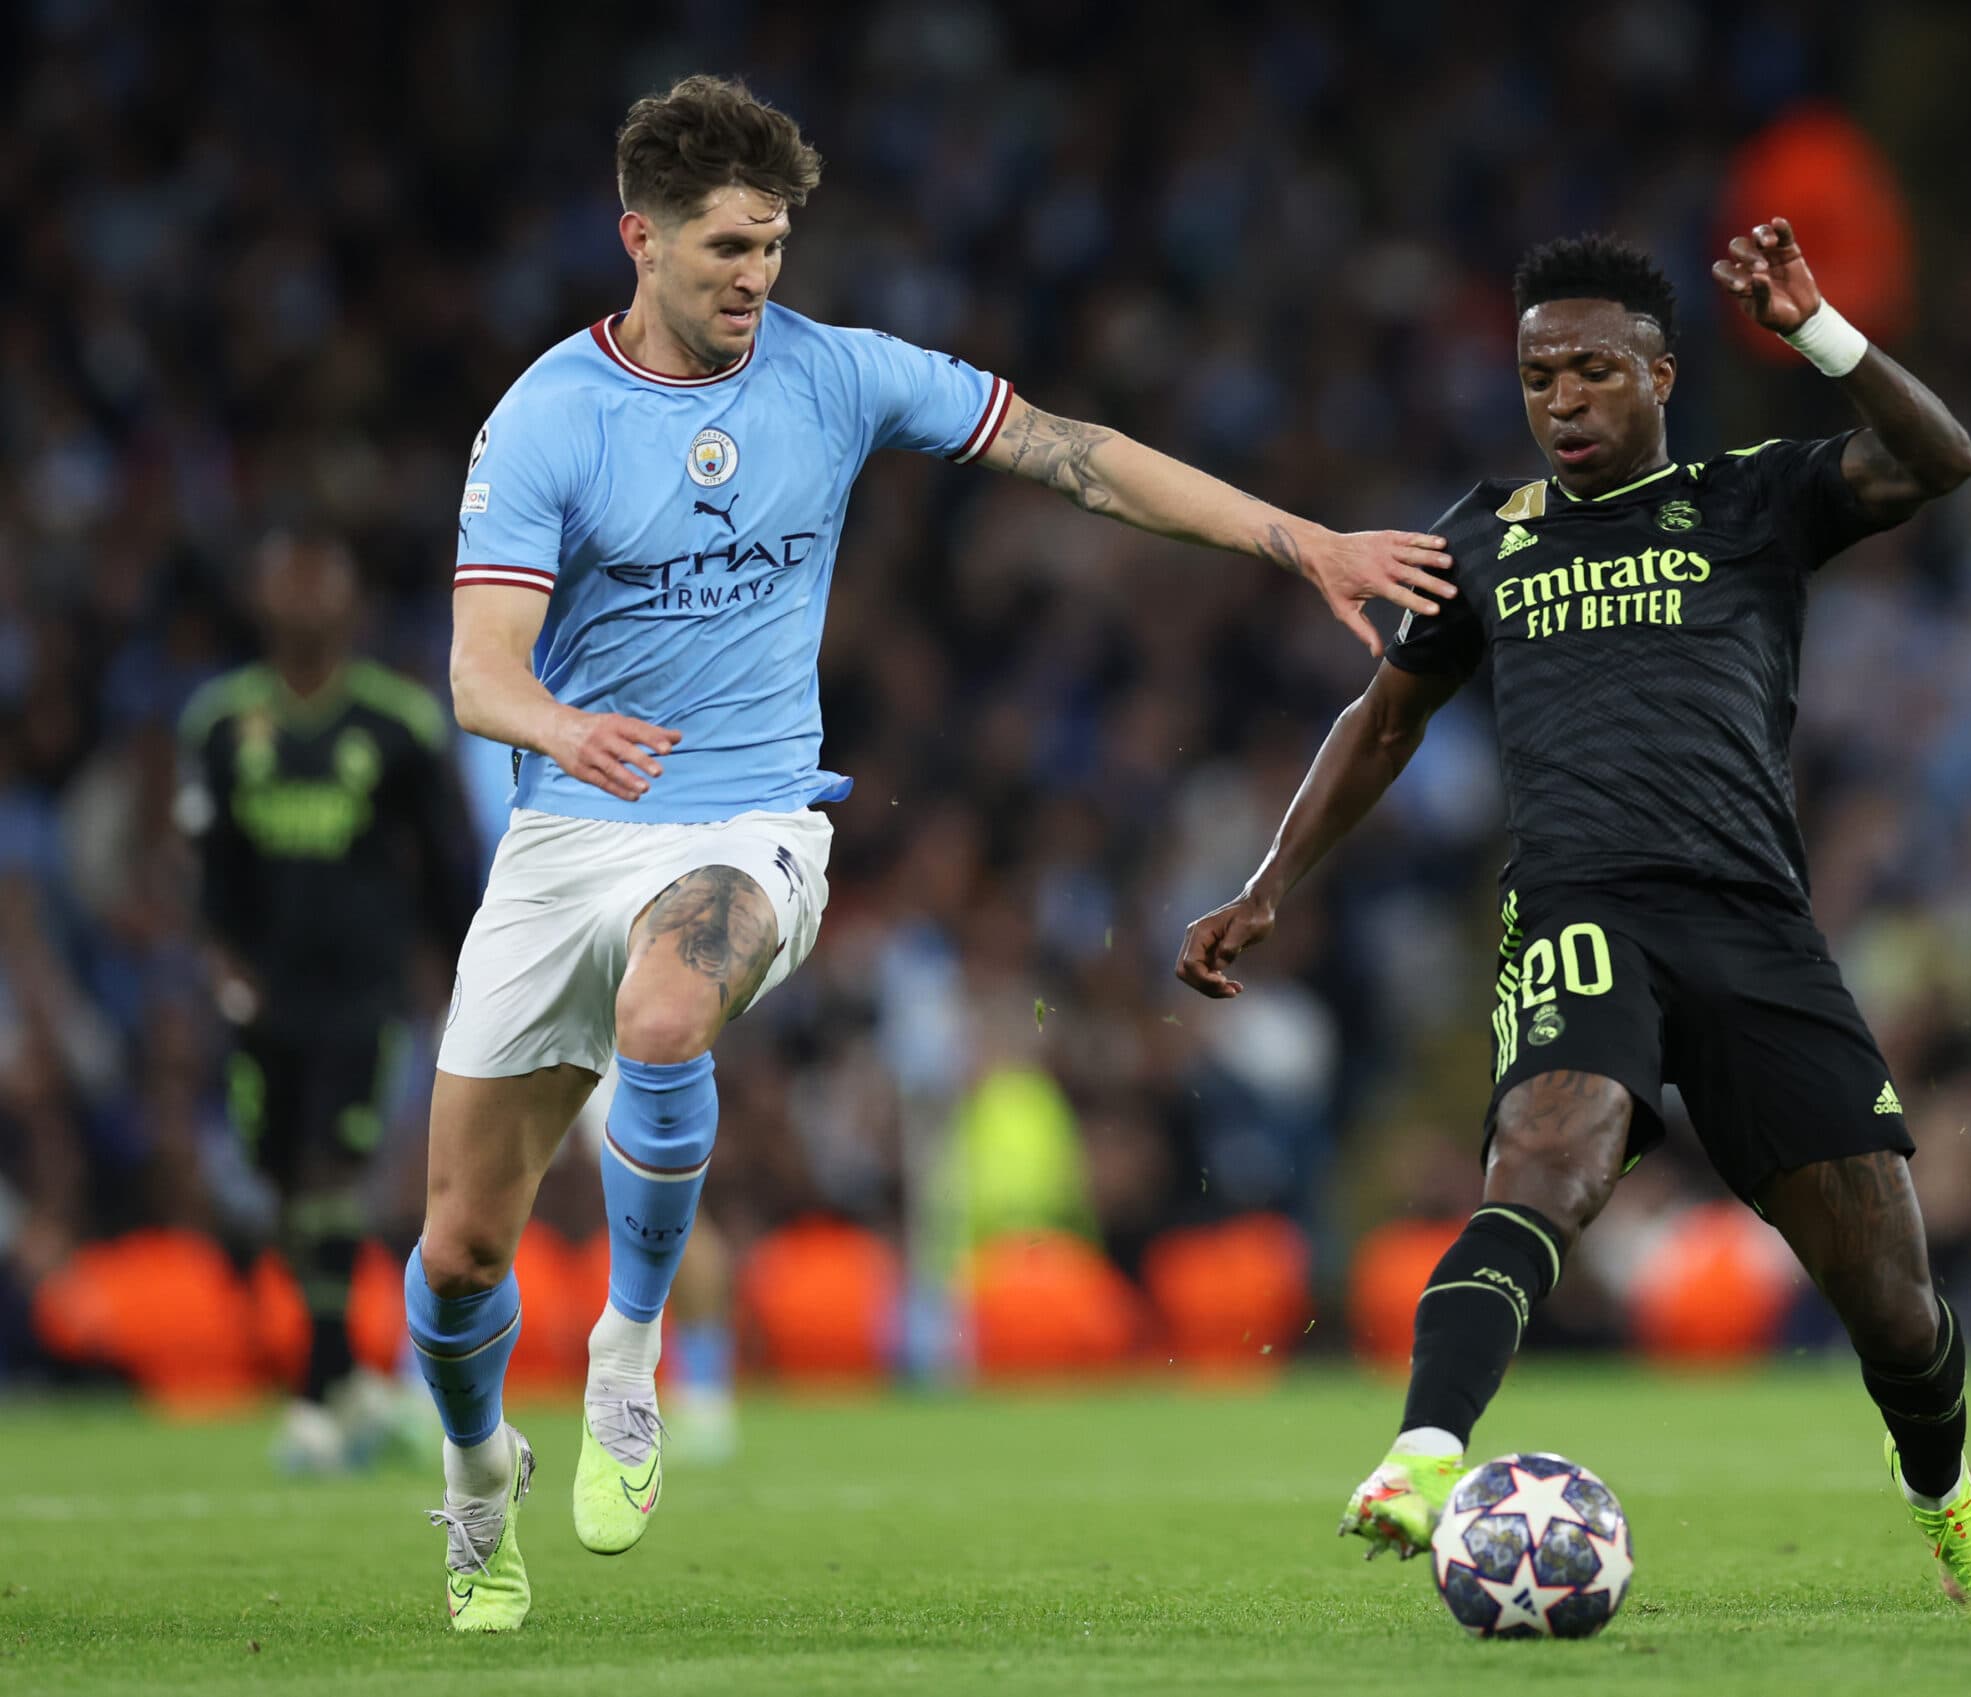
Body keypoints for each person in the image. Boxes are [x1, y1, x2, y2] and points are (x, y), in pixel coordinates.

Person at [418, 74, 1453, 1632]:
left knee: (666, 1013)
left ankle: (629, 1350)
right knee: (456, 1255)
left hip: (751, 819)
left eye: (773, 244)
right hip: (570, 828)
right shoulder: (549, 416)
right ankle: (478, 1478)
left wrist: (1296, 537)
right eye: (725, 248)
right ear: (640, 239)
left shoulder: (840, 374)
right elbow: (478, 669)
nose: (756, 276)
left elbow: (1073, 450)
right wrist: (562, 727)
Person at [1180, 221, 1971, 1614]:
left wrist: (1818, 333)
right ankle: (1422, 1453)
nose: (1563, 401)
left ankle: (1942, 1492)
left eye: (1592, 371)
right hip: (1581, 907)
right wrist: (1270, 882)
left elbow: (1940, 460)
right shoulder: (1483, 536)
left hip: (1753, 923)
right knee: (1543, 1161)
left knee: (1892, 1299)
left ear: (1660, 375)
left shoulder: (1753, 497)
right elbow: (1384, 719)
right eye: (1538, 378)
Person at [179, 531, 479, 1472]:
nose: (307, 598)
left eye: (324, 580)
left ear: (354, 604)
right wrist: (222, 966)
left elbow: (449, 862)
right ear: (260, 596)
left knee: (330, 1171)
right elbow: (209, 869)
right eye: (290, 579)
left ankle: (314, 1396)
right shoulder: (221, 723)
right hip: (264, 997)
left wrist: (457, 974)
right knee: (279, 1180)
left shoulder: (399, 723)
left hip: (365, 995)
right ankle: (348, 1379)